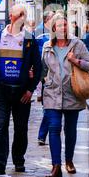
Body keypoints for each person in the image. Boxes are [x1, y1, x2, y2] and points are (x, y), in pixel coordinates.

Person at [0, 5, 41, 175]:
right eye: (19, 14)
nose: (22, 17)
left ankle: (18, 160)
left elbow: (37, 67)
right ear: (11, 16)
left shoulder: (30, 40)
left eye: (24, 15)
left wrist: (31, 89)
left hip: (22, 92)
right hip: (1, 90)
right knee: (1, 126)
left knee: (21, 127)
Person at [41, 13, 89, 177]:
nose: (62, 28)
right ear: (53, 28)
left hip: (73, 92)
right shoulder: (46, 46)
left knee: (70, 130)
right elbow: (43, 69)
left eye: (65, 25)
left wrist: (75, 61)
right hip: (52, 92)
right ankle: (56, 166)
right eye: (59, 25)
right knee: (54, 128)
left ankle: (69, 160)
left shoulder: (77, 44)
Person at [36, 11, 55, 145]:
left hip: (60, 78)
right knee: (48, 108)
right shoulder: (39, 32)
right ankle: (43, 135)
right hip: (47, 77)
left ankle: (45, 135)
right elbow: (38, 56)